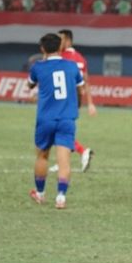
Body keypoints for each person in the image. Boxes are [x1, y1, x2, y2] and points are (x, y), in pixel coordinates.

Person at [27, 33, 87, 210]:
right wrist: (76, 108)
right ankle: (61, 197)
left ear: (43, 49)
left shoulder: (38, 67)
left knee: (42, 156)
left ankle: (40, 193)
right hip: (67, 117)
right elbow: (80, 90)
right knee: (64, 160)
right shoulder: (72, 66)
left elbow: (30, 85)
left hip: (46, 117)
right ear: (60, 47)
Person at [56, 29, 97, 172]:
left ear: (68, 41)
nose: (58, 42)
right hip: (75, 100)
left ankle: (82, 151)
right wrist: (90, 103)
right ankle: (62, 160)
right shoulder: (80, 58)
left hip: (63, 98)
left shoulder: (61, 57)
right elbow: (86, 81)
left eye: (60, 39)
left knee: (58, 130)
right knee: (63, 129)